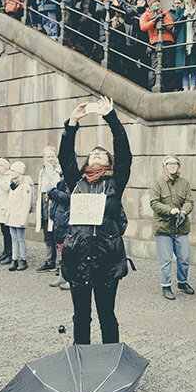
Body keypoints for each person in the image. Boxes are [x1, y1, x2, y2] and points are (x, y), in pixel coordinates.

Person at [58, 96, 132, 345]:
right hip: (77, 256)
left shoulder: (114, 182)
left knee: (106, 315)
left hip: (106, 258)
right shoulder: (75, 182)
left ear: (109, 163)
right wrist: (73, 122)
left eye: (102, 154)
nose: (97, 155)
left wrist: (111, 118)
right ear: (87, 162)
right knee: (81, 317)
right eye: (93, 154)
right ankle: (82, 359)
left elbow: (124, 153)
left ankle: (110, 359)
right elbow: (64, 155)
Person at [150, 155, 195, 300]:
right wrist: (170, 210)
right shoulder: (157, 182)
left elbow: (189, 201)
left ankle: (182, 282)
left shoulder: (184, 183)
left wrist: (184, 211)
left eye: (175, 164)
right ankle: (166, 286)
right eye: (169, 164)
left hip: (181, 228)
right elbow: (154, 203)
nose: (172, 166)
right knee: (166, 260)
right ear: (165, 166)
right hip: (163, 229)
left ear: (178, 166)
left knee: (183, 258)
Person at [139, 0, 175, 92]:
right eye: (155, 2)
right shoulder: (146, 14)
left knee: (168, 65)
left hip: (168, 41)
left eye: (158, 1)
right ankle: (154, 85)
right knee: (155, 65)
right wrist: (155, 20)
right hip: (154, 42)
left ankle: (168, 87)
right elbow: (143, 27)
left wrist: (162, 18)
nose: (157, 3)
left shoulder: (165, 12)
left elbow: (170, 26)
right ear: (150, 4)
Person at [3, 161, 34, 271]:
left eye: (14, 170)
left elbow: (26, 204)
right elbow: (10, 200)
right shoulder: (14, 185)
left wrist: (23, 219)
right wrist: (5, 208)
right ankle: (14, 259)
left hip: (19, 216)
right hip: (12, 216)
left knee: (20, 239)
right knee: (14, 238)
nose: (11, 172)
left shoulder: (25, 186)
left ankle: (23, 260)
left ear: (19, 172)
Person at [36, 146, 62, 272]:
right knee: (47, 236)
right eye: (48, 156)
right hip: (44, 204)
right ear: (44, 158)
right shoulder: (42, 171)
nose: (50, 159)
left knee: (57, 236)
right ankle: (49, 261)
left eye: (52, 156)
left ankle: (59, 263)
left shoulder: (59, 170)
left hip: (55, 205)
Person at [45, 175, 71, 290]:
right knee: (61, 248)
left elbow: (68, 197)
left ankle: (69, 278)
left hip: (66, 218)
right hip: (60, 218)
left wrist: (53, 191)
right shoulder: (62, 180)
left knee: (68, 251)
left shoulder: (71, 180)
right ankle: (62, 276)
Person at [173, 0, 196, 91]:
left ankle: (192, 87)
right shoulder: (180, 9)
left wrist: (194, 15)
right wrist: (184, 15)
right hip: (183, 40)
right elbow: (175, 25)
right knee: (184, 65)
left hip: (194, 39)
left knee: (194, 65)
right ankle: (185, 87)